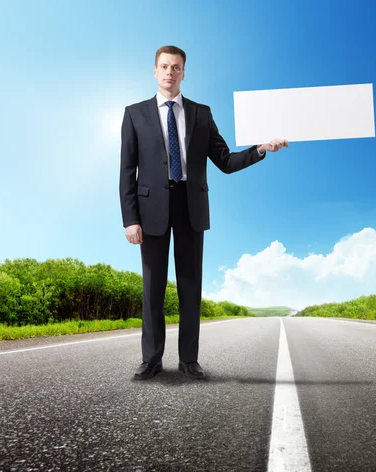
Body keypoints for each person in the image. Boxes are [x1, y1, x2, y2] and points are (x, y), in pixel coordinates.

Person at [119, 45, 288, 381]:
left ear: (184, 72)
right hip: (151, 209)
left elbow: (225, 162)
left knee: (190, 286)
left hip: (190, 206)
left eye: (176, 67)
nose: (170, 73)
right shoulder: (134, 113)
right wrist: (130, 218)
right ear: (155, 71)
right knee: (152, 288)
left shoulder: (201, 113)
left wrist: (260, 149)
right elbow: (127, 170)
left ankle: (189, 360)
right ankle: (151, 359)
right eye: (164, 67)